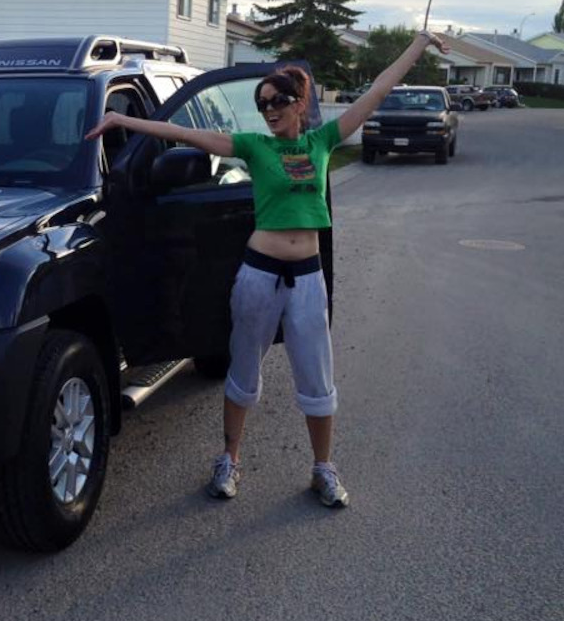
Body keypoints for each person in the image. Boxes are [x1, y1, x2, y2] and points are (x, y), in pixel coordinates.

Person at [85, 30, 449, 506]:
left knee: (317, 380)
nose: (269, 109)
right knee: (242, 371)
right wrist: (123, 122)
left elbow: (377, 89)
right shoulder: (256, 147)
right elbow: (189, 134)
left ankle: (323, 468)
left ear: (301, 103)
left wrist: (418, 45)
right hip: (257, 275)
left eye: (278, 100)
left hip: (307, 281)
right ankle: (229, 460)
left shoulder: (322, 142)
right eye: (262, 103)